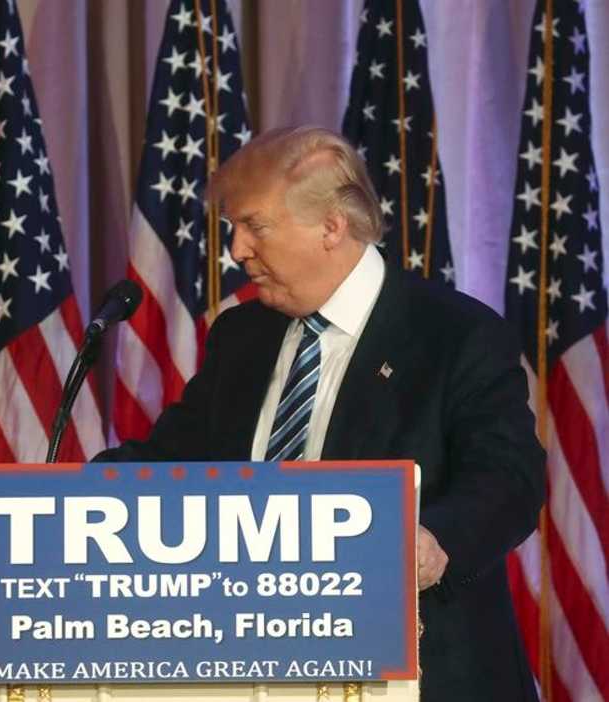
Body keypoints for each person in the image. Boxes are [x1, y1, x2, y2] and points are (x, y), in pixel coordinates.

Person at [97, 126, 545, 701]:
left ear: (332, 226)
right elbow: (168, 461)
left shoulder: (455, 334)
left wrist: (435, 540)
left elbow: (510, 477)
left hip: (422, 671)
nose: (236, 249)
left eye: (254, 225)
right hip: (257, 670)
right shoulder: (241, 335)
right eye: (233, 227)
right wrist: (57, 502)